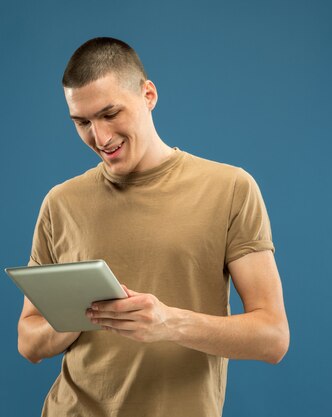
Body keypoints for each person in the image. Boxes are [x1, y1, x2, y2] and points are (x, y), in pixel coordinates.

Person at [16, 37, 290, 417]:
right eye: (82, 122)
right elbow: (28, 341)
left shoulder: (230, 189)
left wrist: (169, 323)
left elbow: (273, 337)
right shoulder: (61, 202)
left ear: (148, 95)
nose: (100, 137)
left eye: (110, 114)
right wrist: (71, 321)